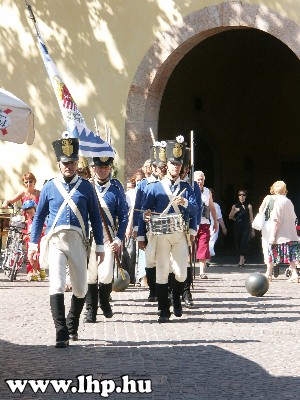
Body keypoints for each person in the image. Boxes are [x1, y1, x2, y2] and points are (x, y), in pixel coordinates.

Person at [28, 134, 104, 348]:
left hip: (79, 242)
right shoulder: (50, 187)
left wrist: (99, 245)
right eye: (65, 163)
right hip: (55, 241)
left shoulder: (87, 187)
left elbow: (96, 218)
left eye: (72, 162)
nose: (68, 166)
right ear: (59, 164)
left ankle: (72, 323)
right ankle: (61, 331)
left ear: (76, 162)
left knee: (80, 288)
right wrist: (33, 244)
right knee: (57, 283)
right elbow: (39, 217)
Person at [138, 136, 198, 323]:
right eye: (173, 164)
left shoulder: (187, 188)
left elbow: (196, 210)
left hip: (179, 234)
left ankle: (176, 298)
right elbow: (144, 210)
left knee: (181, 272)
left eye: (179, 164)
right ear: (167, 165)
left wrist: (186, 202)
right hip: (161, 235)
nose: (176, 167)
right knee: (162, 271)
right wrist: (144, 221)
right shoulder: (155, 187)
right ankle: (164, 310)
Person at [84, 156, 128, 323]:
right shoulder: (87, 187)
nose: (102, 170)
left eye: (106, 167)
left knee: (106, 274)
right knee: (90, 275)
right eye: (99, 167)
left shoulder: (116, 189)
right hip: (89, 237)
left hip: (108, 236)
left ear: (110, 168)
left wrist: (118, 239)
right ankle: (91, 309)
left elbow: (123, 217)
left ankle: (104, 300)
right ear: (94, 168)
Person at [268, 181, 300, 283]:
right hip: (291, 234)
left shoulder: (278, 202)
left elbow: (276, 220)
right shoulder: (288, 201)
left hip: (281, 235)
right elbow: (294, 217)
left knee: (271, 253)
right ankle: (295, 274)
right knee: (291, 256)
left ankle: (268, 274)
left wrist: (272, 236)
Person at [194, 171, 218, 279]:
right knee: (189, 247)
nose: (200, 181)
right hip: (192, 223)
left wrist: (215, 222)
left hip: (205, 223)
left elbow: (212, 207)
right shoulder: (190, 189)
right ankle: (188, 270)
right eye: (198, 179)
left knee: (203, 246)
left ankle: (202, 271)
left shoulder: (208, 191)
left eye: (201, 179)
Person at [256, 184, 277, 280]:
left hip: (268, 225)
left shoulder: (268, 197)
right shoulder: (284, 200)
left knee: (266, 246)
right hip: (279, 225)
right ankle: (275, 263)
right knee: (277, 246)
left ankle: (269, 270)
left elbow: (260, 210)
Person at [229, 189, 254, 267]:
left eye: (243, 195)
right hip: (238, 226)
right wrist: (235, 211)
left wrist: (252, 229)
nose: (241, 196)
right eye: (240, 195)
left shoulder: (249, 206)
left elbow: (251, 218)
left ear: (245, 196)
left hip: (246, 226)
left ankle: (241, 261)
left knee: (244, 242)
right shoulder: (235, 206)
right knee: (238, 242)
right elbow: (230, 216)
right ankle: (242, 258)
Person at [21, 199, 46, 282]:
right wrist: (25, 237)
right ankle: (36, 271)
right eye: (27, 213)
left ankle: (39, 271)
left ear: (35, 210)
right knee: (32, 257)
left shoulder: (38, 220)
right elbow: (26, 232)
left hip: (39, 240)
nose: (29, 214)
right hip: (31, 242)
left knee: (37, 256)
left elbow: (45, 227)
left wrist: (39, 231)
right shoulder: (28, 222)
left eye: (31, 212)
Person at [208, 188, 227, 259]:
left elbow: (219, 218)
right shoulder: (202, 204)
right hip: (207, 226)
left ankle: (206, 260)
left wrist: (223, 228)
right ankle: (206, 259)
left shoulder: (215, 205)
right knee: (208, 243)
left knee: (209, 243)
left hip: (212, 226)